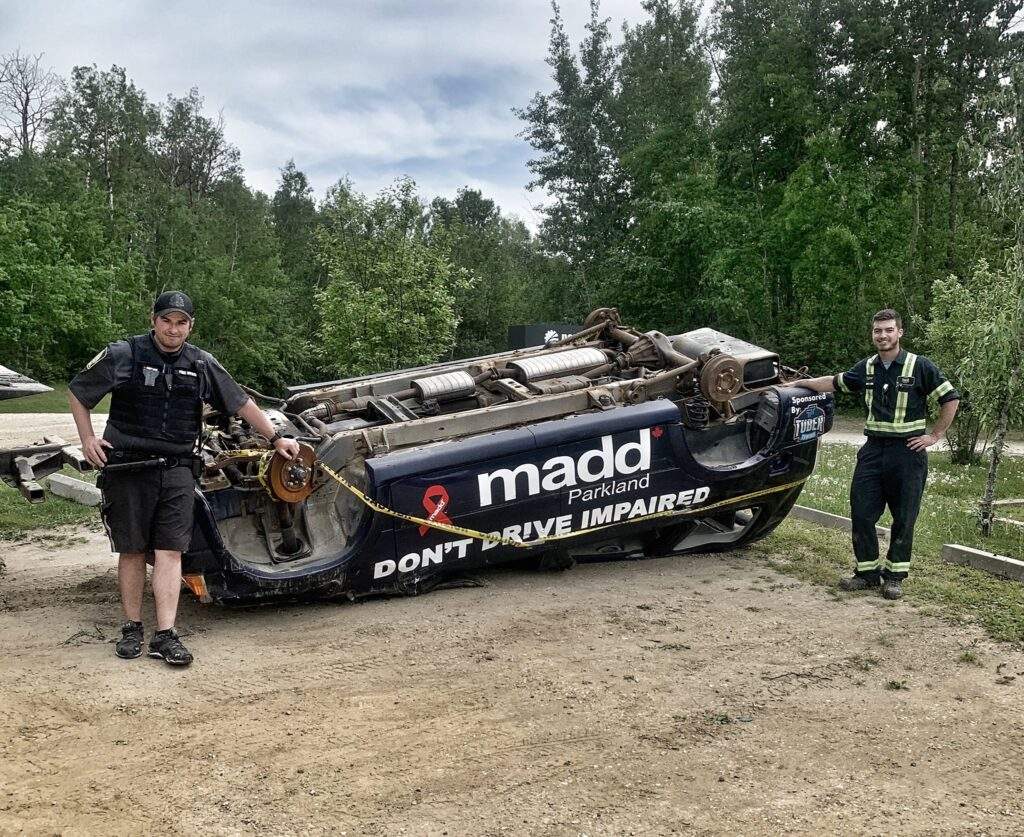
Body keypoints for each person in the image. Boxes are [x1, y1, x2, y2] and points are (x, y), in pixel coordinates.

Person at [69, 291, 300, 666]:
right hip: (127, 466)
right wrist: (87, 439)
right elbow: (79, 393)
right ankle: (131, 628)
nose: (173, 329)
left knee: (170, 550)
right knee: (131, 549)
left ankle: (165, 635)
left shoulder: (202, 363)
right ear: (153, 320)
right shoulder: (123, 353)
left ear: (191, 326)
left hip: (177, 468)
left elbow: (240, 402)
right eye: (166, 321)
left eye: (181, 323)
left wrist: (275, 438)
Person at [785, 309, 960, 600]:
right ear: (873, 334)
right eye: (878, 331)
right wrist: (797, 384)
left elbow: (950, 397)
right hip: (873, 451)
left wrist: (934, 436)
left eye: (889, 330)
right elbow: (834, 382)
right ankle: (866, 573)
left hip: (907, 453)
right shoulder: (866, 367)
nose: (883, 335)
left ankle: (894, 577)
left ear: (899, 333)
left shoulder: (920, 365)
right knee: (862, 512)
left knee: (904, 517)